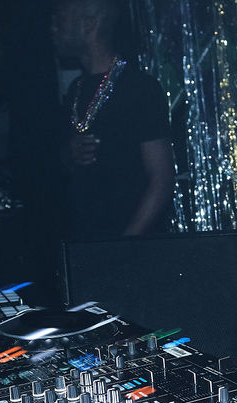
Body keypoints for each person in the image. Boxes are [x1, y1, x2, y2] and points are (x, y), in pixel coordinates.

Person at [51, 0, 175, 238]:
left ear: (88, 24)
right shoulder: (76, 90)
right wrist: (68, 154)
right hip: (86, 243)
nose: (53, 26)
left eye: (61, 17)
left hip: (132, 248)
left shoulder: (139, 88)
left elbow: (161, 179)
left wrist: (123, 245)